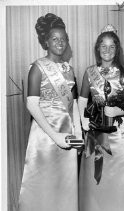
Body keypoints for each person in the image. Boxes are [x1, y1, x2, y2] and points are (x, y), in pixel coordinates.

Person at [18, 13, 82, 211]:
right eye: (55, 39)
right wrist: (55, 136)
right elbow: (32, 105)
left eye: (64, 38)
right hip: (46, 136)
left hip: (67, 134)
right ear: (45, 42)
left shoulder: (69, 70)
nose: (60, 43)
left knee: (64, 187)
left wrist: (78, 134)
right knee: (44, 187)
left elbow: (75, 105)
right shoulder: (37, 68)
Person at [78, 24, 124, 211]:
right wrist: (84, 120)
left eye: (112, 46)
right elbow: (80, 101)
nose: (107, 50)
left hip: (119, 135)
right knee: (97, 182)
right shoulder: (89, 72)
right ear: (97, 48)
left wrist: (117, 112)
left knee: (119, 182)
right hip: (96, 132)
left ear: (117, 49)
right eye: (103, 46)